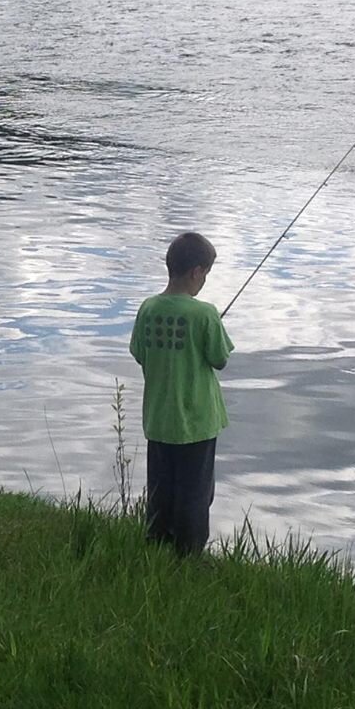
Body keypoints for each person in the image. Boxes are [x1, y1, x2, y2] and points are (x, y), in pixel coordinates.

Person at [128, 231, 234, 556]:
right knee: (195, 493)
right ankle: (189, 557)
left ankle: (156, 545)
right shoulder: (204, 314)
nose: (204, 282)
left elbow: (139, 352)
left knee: (161, 490)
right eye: (206, 275)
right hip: (197, 422)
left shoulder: (148, 308)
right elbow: (220, 358)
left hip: (159, 420)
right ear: (196, 272)